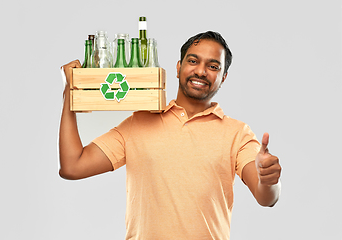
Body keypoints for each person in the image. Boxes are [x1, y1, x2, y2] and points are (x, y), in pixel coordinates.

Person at [59, 31, 282, 240]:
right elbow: (73, 166)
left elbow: (266, 197)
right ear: (178, 68)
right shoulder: (139, 123)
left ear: (223, 77)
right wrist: (70, 92)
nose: (201, 71)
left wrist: (269, 180)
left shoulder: (237, 134)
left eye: (213, 66)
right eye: (193, 61)